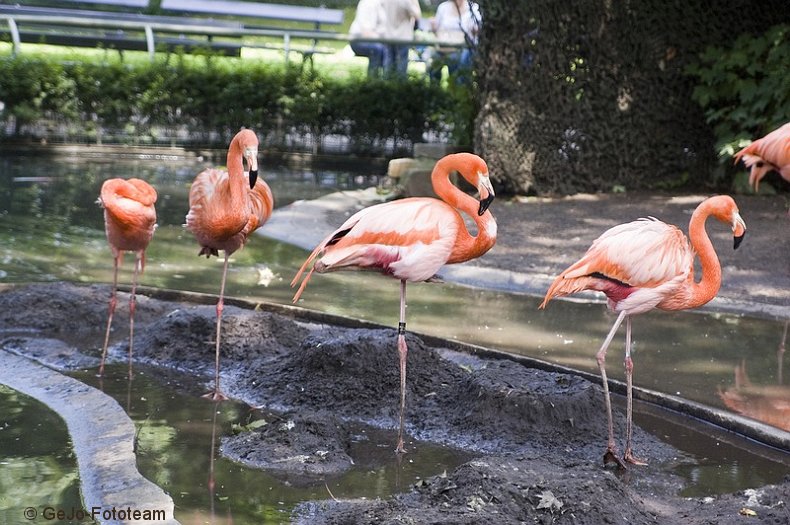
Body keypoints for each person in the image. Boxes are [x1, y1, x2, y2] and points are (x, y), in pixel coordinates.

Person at [429, 0, 481, 83]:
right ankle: (435, 90)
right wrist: (433, 26)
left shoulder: (473, 8)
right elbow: (436, 29)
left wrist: (475, 30)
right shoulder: (443, 7)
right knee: (433, 64)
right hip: (443, 47)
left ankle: (456, 89)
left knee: (458, 61)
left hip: (463, 48)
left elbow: (477, 29)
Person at [349, 0, 391, 78]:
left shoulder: (384, 3)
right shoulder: (368, 3)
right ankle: (372, 81)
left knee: (390, 49)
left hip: (376, 39)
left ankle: (388, 80)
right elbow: (366, 33)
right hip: (359, 40)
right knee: (379, 49)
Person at [382, 0, 422, 78]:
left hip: (388, 35)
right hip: (403, 37)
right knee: (401, 65)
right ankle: (400, 86)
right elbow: (417, 15)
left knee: (388, 63)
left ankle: (386, 85)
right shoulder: (405, 1)